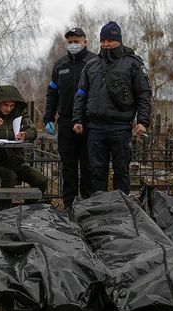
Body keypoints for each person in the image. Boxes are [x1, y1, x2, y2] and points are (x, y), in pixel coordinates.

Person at [72, 21, 152, 195]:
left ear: (119, 40)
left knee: (121, 171)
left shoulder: (133, 64)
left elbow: (143, 94)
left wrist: (143, 121)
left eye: (109, 40)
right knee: (97, 172)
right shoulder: (92, 64)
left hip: (120, 127)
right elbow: (81, 94)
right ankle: (99, 209)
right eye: (103, 41)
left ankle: (122, 210)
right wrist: (78, 119)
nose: (106, 44)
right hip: (95, 127)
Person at [0, 85, 48, 208]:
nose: (9, 109)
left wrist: (25, 135)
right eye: (5, 105)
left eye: (12, 105)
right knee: (9, 177)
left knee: (41, 180)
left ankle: (27, 209)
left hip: (18, 162)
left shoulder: (21, 115)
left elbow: (32, 131)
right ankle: (4, 212)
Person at [44, 27, 97, 210]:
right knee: (68, 167)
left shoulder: (95, 62)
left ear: (85, 41)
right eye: (70, 42)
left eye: (77, 41)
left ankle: (89, 205)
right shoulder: (60, 65)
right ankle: (70, 206)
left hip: (90, 122)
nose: (73, 45)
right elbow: (52, 93)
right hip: (66, 122)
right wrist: (49, 117)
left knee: (89, 167)